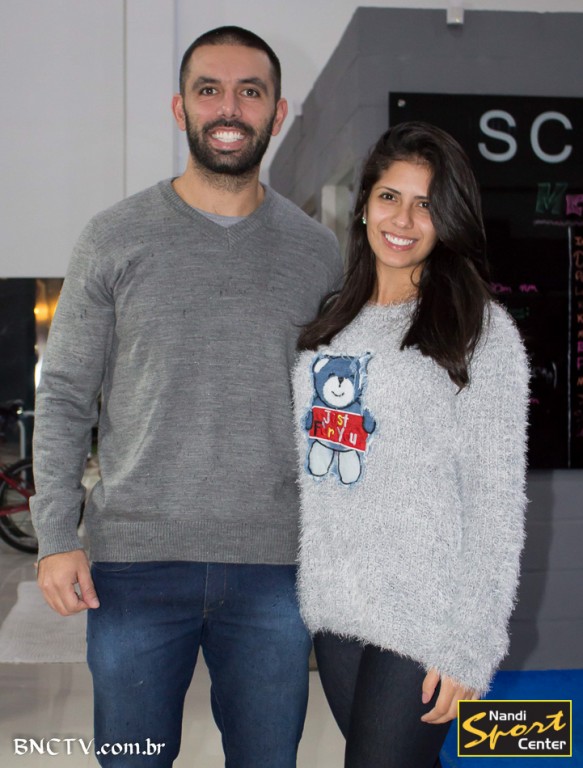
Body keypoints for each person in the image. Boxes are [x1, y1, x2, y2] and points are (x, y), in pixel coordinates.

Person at [31, 26, 342, 768]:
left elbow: (337, 414)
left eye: (249, 91)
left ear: (277, 112)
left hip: (275, 567)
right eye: (209, 90)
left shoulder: (317, 253)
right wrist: (56, 537)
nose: (228, 108)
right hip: (135, 566)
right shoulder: (113, 238)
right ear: (180, 108)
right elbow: (66, 395)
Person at [292, 121, 529, 768]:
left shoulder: (479, 331)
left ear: (447, 219)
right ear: (364, 204)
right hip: (338, 606)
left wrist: (471, 642)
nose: (403, 219)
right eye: (389, 197)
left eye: (425, 204)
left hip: (427, 613)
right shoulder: (333, 323)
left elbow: (495, 501)